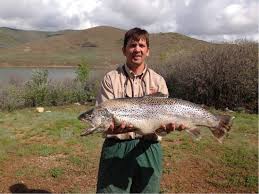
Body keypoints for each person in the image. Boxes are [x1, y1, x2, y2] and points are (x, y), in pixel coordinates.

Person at [95, 27, 184, 193]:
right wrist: (110, 127)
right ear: (124, 50)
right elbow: (104, 117)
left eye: (142, 45)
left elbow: (163, 126)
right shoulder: (110, 79)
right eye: (132, 45)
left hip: (149, 147)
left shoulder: (158, 80)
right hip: (116, 148)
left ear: (148, 51)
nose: (137, 49)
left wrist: (167, 128)